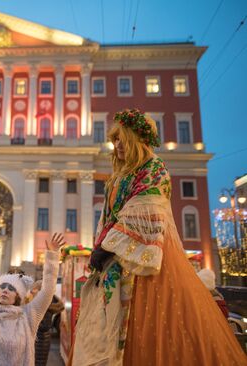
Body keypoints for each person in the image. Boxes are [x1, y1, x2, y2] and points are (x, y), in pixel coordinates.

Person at [71, 109, 246, 365]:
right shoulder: (119, 174)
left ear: (135, 138)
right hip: (114, 263)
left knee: (152, 328)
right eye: (114, 139)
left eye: (122, 138)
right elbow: (109, 216)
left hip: (143, 265)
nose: (117, 144)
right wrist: (102, 247)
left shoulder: (154, 168)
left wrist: (107, 247)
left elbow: (147, 210)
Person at [0, 232, 65, 366]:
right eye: (3, 286)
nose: (5, 290)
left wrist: (52, 256)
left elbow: (47, 291)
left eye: (11, 289)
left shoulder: (28, 316)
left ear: (18, 296)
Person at [26, 280, 64, 366]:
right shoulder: (45, 302)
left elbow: (44, 326)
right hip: (42, 340)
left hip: (40, 341)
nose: (31, 291)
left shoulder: (44, 305)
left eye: (34, 289)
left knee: (38, 362)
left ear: (40, 291)